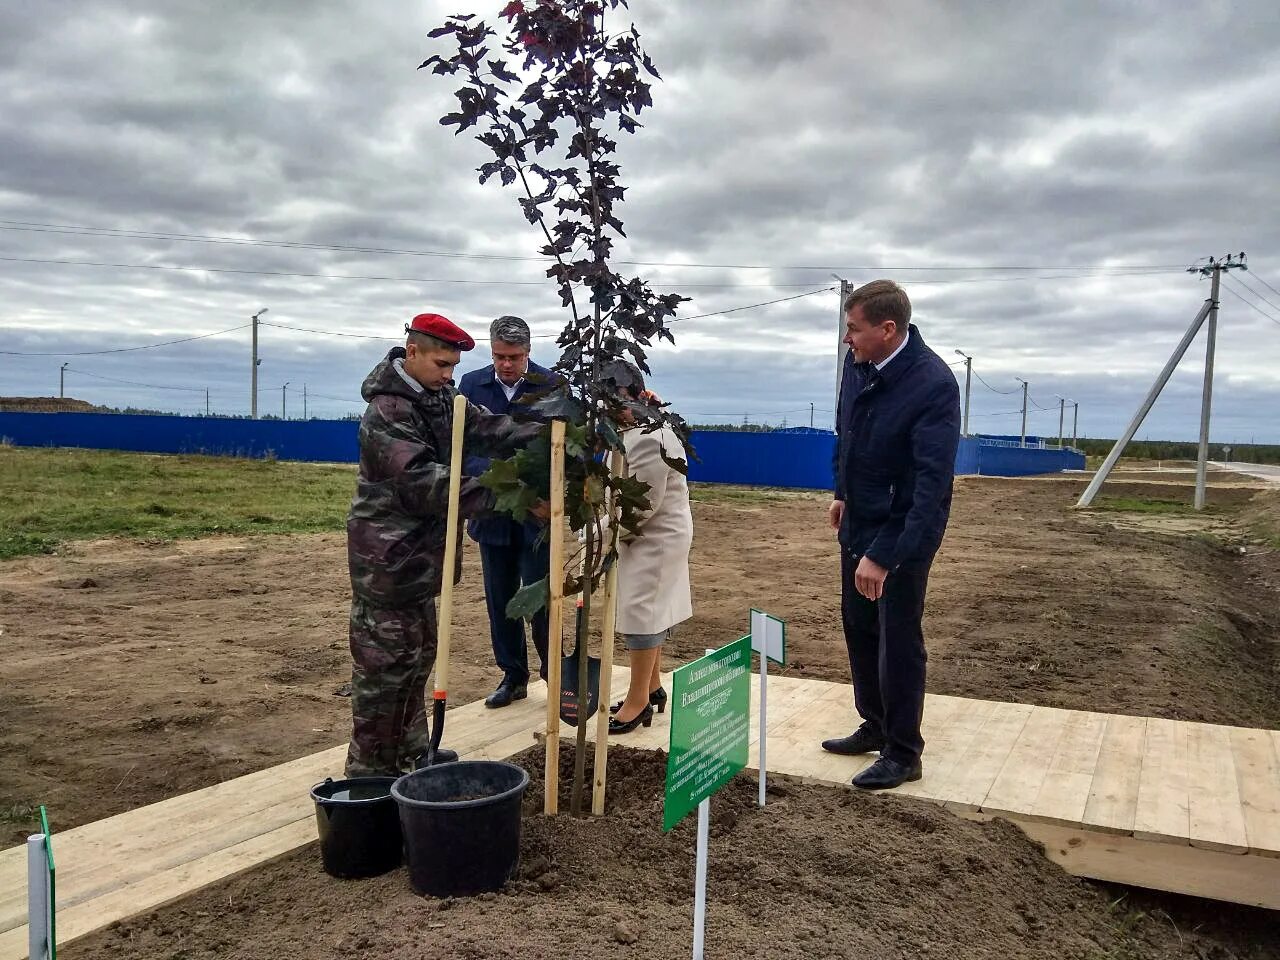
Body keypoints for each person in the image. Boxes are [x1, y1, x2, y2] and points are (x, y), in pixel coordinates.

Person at [345, 312, 547, 778]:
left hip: (420, 560)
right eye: (441, 364)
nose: (448, 375)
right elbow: (422, 483)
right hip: (387, 561)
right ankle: (371, 776)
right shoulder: (388, 412)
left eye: (454, 367)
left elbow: (488, 428)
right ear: (411, 353)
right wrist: (512, 496)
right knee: (385, 671)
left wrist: (549, 431)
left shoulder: (437, 398)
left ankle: (411, 753)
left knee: (416, 661)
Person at [822, 279, 961, 789]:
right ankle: (875, 724)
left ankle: (903, 752)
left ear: (888, 329)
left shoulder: (933, 385)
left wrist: (885, 555)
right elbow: (848, 432)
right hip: (858, 517)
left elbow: (927, 486)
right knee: (859, 626)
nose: (846, 340)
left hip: (904, 533)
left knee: (898, 640)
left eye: (853, 329)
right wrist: (842, 491)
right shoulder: (859, 366)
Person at [458, 316, 557, 708]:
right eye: (499, 356)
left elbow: (563, 449)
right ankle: (513, 675)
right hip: (491, 511)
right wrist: (499, 483)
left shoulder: (550, 387)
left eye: (514, 357)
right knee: (500, 598)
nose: (505, 364)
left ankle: (554, 674)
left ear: (528, 352)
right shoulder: (471, 387)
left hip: (536, 515)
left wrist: (546, 496)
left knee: (540, 597)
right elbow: (464, 449)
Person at [608, 371, 693, 734]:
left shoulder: (648, 437)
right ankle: (652, 687)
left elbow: (641, 505)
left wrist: (595, 535)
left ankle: (637, 701)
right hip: (648, 534)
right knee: (651, 611)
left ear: (638, 396)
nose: (610, 410)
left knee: (641, 613)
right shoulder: (636, 428)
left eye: (617, 402)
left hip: (652, 536)